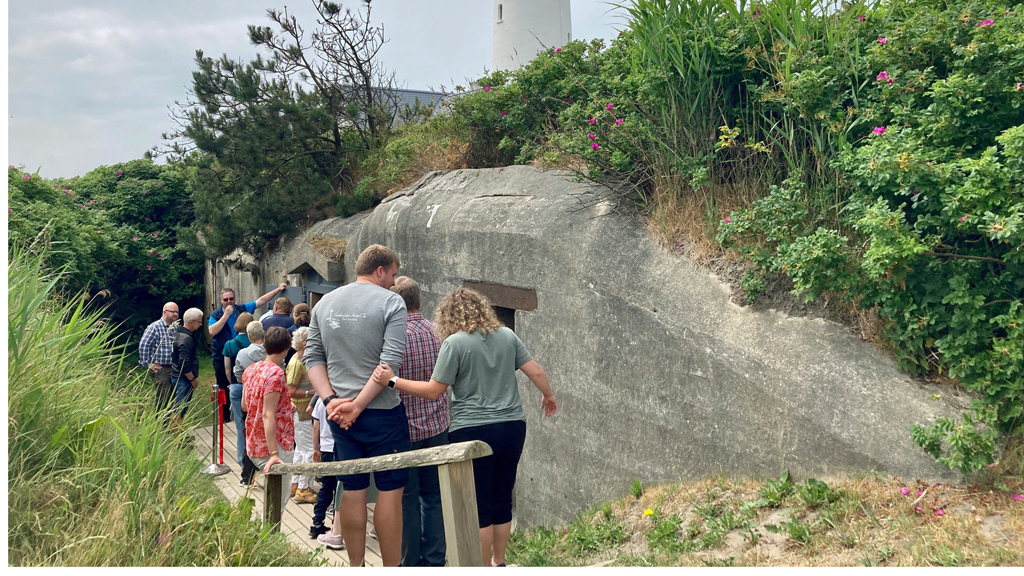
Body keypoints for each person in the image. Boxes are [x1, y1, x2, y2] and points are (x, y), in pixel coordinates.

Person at [373, 288, 558, 568]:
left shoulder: (455, 343)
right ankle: (499, 561)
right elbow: (536, 371)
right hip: (512, 426)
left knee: (480, 503)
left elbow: (435, 391)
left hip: (471, 430)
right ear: (484, 309)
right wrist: (548, 395)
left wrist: (392, 381)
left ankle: (481, 566)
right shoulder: (507, 335)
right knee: (502, 496)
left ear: (448, 315)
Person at [305, 244, 409, 567]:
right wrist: (358, 405)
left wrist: (331, 401)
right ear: (380, 271)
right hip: (383, 414)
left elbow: (312, 356)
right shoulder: (393, 302)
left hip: (339, 417)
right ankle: (390, 569)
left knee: (353, 489)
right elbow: (389, 364)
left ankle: (356, 566)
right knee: (391, 492)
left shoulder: (325, 304)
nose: (393, 281)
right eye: (392, 274)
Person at [391, 277, 449, 567]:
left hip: (405, 429)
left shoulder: (394, 336)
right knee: (434, 496)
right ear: (419, 300)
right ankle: (435, 558)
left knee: (406, 499)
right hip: (438, 425)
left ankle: (410, 561)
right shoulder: (440, 332)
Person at [209, 283, 288, 422]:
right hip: (222, 355)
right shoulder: (216, 314)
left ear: (235, 298)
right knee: (222, 385)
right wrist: (226, 315)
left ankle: (243, 410)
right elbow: (212, 331)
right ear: (221, 300)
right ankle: (225, 418)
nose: (229, 302)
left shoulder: (241, 308)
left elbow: (261, 301)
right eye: (226, 299)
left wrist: (278, 289)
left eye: (231, 299)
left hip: (242, 351)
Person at [241, 326, 296, 517]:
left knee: (273, 498)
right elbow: (267, 414)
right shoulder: (276, 373)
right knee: (278, 501)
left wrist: (285, 409)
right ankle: (268, 540)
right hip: (274, 444)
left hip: (253, 441)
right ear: (287, 348)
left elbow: (245, 406)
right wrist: (274, 454)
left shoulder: (251, 370)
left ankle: (266, 537)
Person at [222, 313, 258, 486]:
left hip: (238, 386)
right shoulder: (256, 345)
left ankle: (241, 459)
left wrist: (233, 384)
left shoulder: (230, 344)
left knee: (240, 425)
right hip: (256, 388)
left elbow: (228, 369)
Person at [287, 326, 317, 504]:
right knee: (308, 451)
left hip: (303, 413)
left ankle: (295, 483)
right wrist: (312, 393)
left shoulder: (301, 359)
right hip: (301, 412)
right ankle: (303, 489)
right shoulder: (297, 363)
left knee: (300, 449)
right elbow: (290, 390)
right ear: (303, 342)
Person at [308, 395, 341, 540]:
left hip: (326, 448)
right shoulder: (342, 399)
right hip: (340, 447)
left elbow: (316, 425)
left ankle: (317, 521)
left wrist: (316, 449)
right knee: (339, 489)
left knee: (326, 487)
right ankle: (337, 525)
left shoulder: (321, 401)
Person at [138, 301, 179, 412]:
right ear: (164, 312)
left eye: (177, 312)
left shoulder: (176, 327)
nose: (175, 314)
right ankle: (160, 426)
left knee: (174, 399)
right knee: (163, 399)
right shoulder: (154, 327)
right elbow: (144, 344)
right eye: (173, 312)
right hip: (161, 369)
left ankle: (172, 425)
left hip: (175, 368)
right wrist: (147, 363)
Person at [170, 308, 205, 432]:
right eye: (199, 322)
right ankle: (176, 439)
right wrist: (192, 379)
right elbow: (184, 363)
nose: (200, 325)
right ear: (191, 321)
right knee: (180, 409)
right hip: (184, 380)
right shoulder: (187, 339)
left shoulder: (176, 334)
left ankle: (178, 434)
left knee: (178, 407)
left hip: (175, 376)